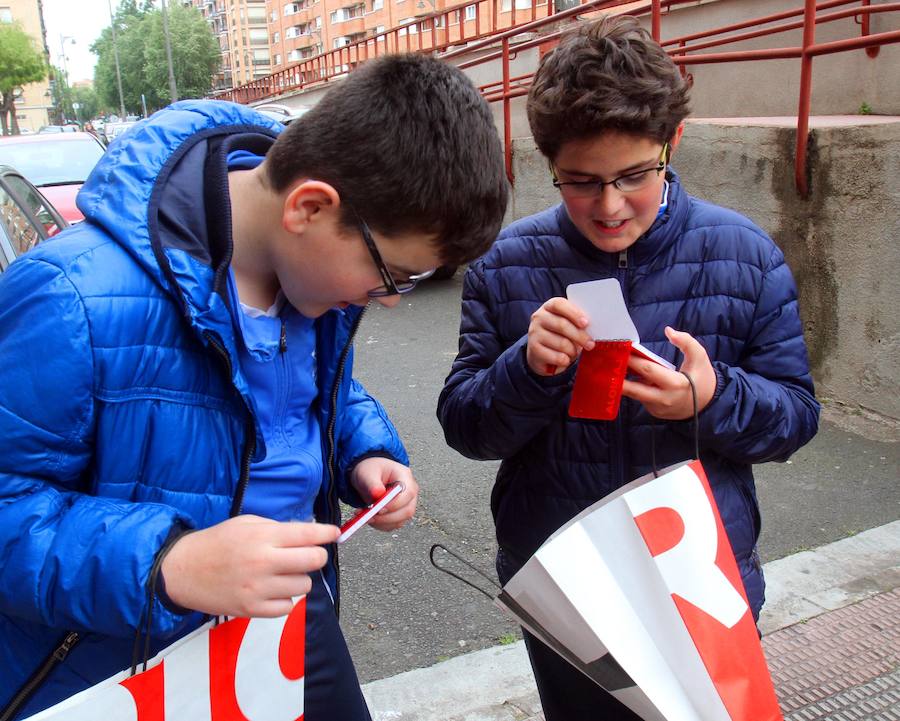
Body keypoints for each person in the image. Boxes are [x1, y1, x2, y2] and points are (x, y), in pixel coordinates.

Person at [0, 54, 507, 720]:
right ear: (310, 206)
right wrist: (169, 563)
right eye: (393, 275)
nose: (388, 301)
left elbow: (313, 395)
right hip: (123, 658)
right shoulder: (70, 297)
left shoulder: (316, 277)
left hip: (285, 613)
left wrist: (363, 451)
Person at [437, 16, 819, 721]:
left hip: (698, 578)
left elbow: (795, 417)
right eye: (580, 183)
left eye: (634, 177)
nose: (609, 207)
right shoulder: (505, 263)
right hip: (565, 580)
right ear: (548, 161)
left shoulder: (745, 252)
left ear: (672, 143)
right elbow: (466, 425)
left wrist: (710, 398)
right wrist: (526, 368)